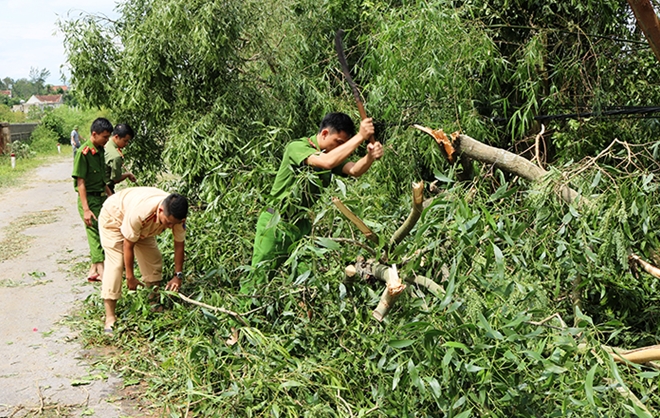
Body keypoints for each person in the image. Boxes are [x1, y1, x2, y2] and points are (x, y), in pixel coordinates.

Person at [251, 112, 383, 276]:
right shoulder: (298, 147)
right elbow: (326, 163)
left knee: (306, 278)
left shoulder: (330, 153)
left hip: (300, 226)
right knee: (259, 277)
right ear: (325, 133)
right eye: (339, 142)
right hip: (275, 223)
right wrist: (360, 137)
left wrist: (369, 157)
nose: (340, 147)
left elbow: (354, 170)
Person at [99, 187, 188, 332]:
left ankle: (153, 302)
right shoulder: (140, 212)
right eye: (168, 223)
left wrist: (178, 275)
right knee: (116, 264)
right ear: (160, 211)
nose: (170, 227)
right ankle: (110, 317)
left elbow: (179, 245)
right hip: (115, 217)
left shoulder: (176, 216)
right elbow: (128, 245)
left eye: (174, 224)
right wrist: (130, 277)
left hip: (142, 227)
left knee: (153, 259)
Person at [72, 118, 113, 283]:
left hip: (101, 197)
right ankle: (102, 271)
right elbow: (80, 182)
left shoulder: (100, 150)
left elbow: (102, 180)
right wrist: (86, 209)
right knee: (95, 234)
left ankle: (93, 270)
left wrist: (111, 196)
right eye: (104, 137)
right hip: (89, 199)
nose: (107, 140)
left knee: (103, 231)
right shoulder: (84, 153)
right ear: (94, 134)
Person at [105, 123, 137, 193]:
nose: (126, 144)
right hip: (106, 190)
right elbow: (116, 179)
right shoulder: (115, 156)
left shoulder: (106, 143)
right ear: (116, 137)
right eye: (125, 141)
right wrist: (127, 174)